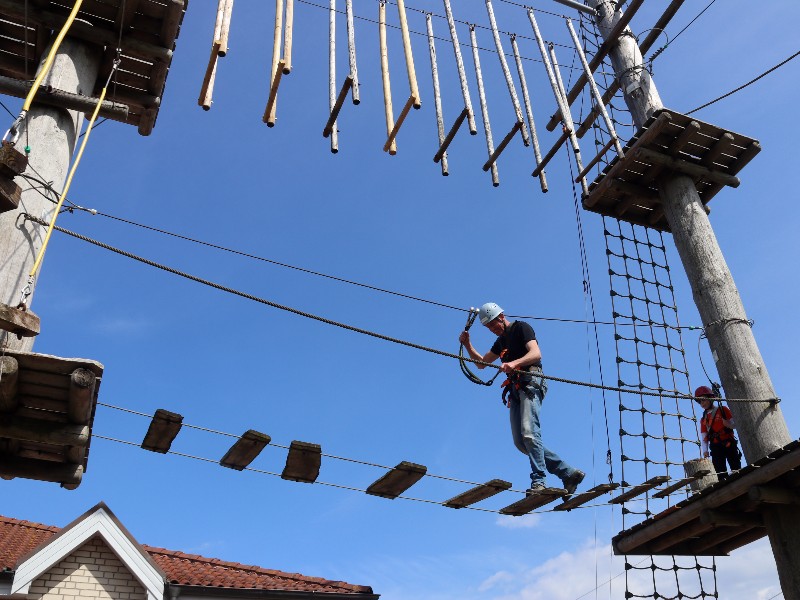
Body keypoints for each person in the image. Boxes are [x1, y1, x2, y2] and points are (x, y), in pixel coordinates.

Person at [459, 302, 584, 496]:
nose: (492, 330)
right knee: (520, 442)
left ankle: (539, 482)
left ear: (501, 316)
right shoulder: (501, 342)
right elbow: (482, 364)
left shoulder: (521, 328)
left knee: (529, 433)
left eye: (493, 324)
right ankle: (568, 473)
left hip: (531, 381)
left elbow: (536, 353)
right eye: (489, 328)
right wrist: (467, 344)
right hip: (516, 388)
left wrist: (513, 363)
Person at [695, 385, 742, 481]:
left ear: (710, 398)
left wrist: (728, 424)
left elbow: (735, 424)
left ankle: (739, 481)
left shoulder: (723, 409)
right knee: (720, 472)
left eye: (703, 400)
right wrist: (705, 450)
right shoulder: (704, 419)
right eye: (699, 402)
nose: (702, 403)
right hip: (715, 446)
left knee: (736, 467)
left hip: (728, 442)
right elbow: (704, 436)